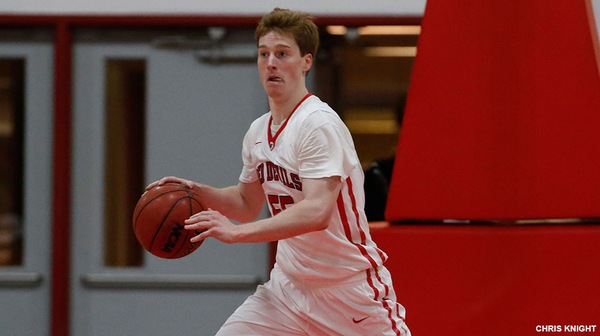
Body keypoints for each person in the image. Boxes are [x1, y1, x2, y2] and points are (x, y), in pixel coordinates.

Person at [148, 8, 410, 336]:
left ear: (306, 62)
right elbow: (246, 202)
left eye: (282, 53)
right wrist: (198, 192)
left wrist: (236, 234)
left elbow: (317, 211)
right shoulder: (259, 131)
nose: (270, 62)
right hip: (288, 290)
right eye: (263, 54)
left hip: (348, 292)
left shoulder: (317, 125)